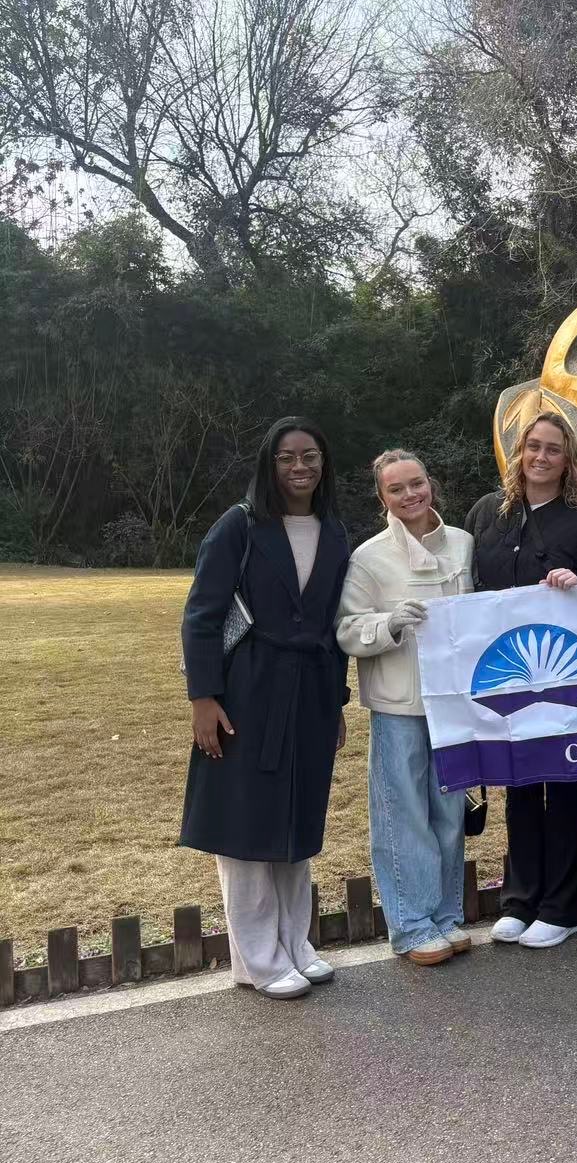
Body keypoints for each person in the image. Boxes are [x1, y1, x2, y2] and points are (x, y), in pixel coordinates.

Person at [180, 417, 350, 1000]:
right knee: (247, 824)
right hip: (247, 692)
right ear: (268, 463)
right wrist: (204, 698)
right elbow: (202, 615)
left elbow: (331, 626)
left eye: (310, 455)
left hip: (310, 692)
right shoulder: (240, 525)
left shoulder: (334, 531)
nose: (300, 466)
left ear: (324, 463)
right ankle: (256, 959)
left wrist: (337, 701)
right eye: (286, 457)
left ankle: (295, 944)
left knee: (297, 822)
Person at [464, 411, 577, 949]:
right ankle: (521, 899)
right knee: (519, 785)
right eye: (533, 445)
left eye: (553, 448)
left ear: (568, 459)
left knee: (564, 786)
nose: (540, 456)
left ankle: (564, 905)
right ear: (519, 451)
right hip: (506, 673)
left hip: (565, 676)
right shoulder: (489, 513)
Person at [337, 450, 474, 968]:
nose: (410, 495)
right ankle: (412, 923)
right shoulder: (368, 558)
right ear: (383, 498)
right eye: (396, 489)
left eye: (416, 483)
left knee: (449, 810)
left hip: (452, 701)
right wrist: (389, 623)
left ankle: (446, 915)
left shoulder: (462, 542)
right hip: (399, 702)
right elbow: (348, 628)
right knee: (404, 814)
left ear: (429, 483)